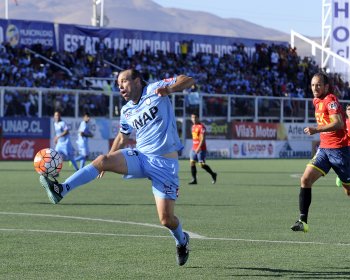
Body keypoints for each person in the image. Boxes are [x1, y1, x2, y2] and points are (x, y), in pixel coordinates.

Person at [40, 69, 195, 266]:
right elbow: (122, 138)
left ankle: (181, 240)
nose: (120, 86)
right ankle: (61, 189)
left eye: (123, 81)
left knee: (166, 219)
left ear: (137, 80)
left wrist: (170, 89)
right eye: (118, 83)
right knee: (102, 159)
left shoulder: (156, 88)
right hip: (141, 157)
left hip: (165, 165)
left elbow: (188, 80)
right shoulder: (126, 111)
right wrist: (107, 161)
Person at [290, 72, 350, 233]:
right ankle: (302, 221)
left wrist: (316, 129)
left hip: (340, 151)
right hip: (324, 150)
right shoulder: (316, 100)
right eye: (313, 85)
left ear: (326, 86)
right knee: (305, 179)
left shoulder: (330, 100)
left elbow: (339, 123)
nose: (315, 88)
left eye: (318, 84)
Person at [188, 113, 217, 185]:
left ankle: (213, 174)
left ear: (198, 118)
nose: (194, 119)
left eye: (195, 117)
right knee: (192, 162)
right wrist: (194, 147)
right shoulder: (193, 127)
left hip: (201, 149)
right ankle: (194, 180)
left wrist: (199, 147)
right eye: (192, 118)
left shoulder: (201, 127)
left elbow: (202, 139)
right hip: (194, 148)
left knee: (201, 164)